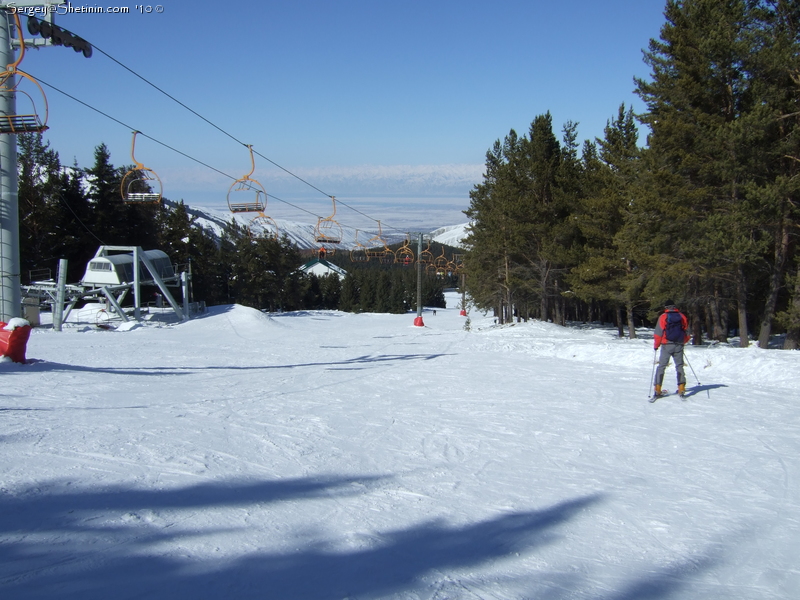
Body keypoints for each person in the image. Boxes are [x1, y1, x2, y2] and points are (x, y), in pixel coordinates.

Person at [653, 299, 690, 397]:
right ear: (674, 306)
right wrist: (683, 342)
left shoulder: (663, 317)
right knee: (679, 366)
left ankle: (657, 388)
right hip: (679, 345)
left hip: (666, 345)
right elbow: (687, 332)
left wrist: (656, 346)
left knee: (662, 366)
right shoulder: (682, 317)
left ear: (666, 308)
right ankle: (681, 387)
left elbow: (658, 333)